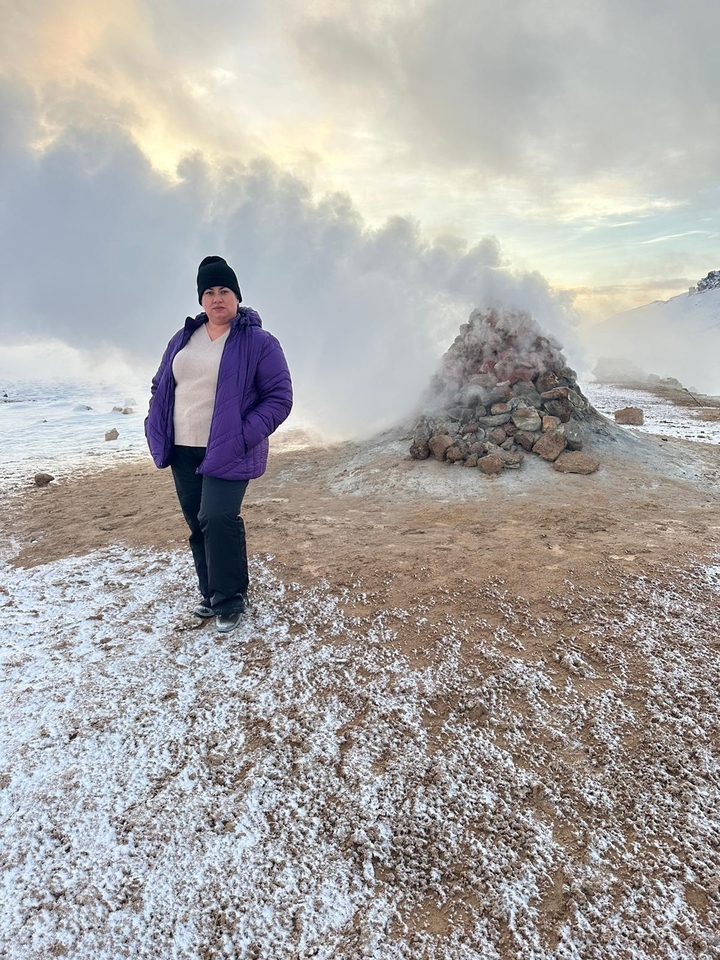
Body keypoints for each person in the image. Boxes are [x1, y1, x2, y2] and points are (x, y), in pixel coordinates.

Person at [145, 255, 293, 633]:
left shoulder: (258, 341)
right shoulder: (183, 339)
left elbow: (279, 397)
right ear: (201, 300)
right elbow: (161, 384)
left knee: (218, 517)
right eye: (209, 292)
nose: (217, 298)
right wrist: (153, 423)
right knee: (198, 522)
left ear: (237, 296)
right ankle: (211, 594)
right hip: (182, 448)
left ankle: (230, 599)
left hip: (230, 448)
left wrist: (243, 435)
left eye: (224, 290)